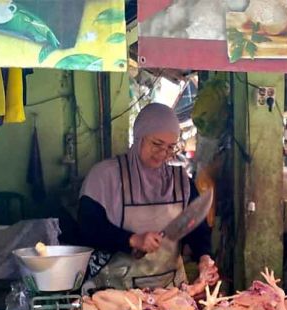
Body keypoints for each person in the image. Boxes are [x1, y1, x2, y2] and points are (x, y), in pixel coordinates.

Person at [79, 103, 218, 292]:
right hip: (116, 293)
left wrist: (204, 257)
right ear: (139, 137)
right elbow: (87, 230)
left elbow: (197, 229)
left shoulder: (180, 181)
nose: (162, 154)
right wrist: (132, 240)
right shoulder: (105, 176)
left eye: (170, 147)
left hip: (170, 294)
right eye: (156, 144)